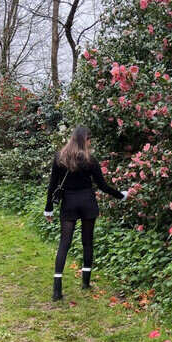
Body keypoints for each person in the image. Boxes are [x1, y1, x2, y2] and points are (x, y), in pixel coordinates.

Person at [44, 125, 128, 300]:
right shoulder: (90, 161)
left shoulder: (60, 158)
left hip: (68, 203)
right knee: (87, 242)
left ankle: (57, 290)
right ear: (84, 140)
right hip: (88, 203)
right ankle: (85, 283)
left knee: (64, 243)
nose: (90, 142)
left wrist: (49, 207)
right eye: (89, 139)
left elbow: (52, 185)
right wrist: (121, 195)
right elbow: (103, 186)